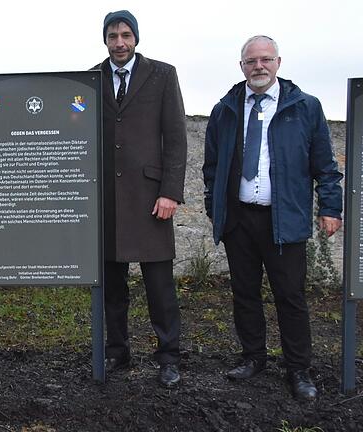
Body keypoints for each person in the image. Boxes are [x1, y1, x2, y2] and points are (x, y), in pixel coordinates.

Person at [203, 35, 343, 400]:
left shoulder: (305, 107)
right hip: (239, 220)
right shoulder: (225, 109)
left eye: (265, 60)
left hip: (284, 220)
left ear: (278, 63)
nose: (259, 67)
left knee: (290, 297)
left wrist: (330, 208)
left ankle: (299, 369)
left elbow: (325, 167)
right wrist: (213, 206)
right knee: (244, 294)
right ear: (242, 67)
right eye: (251, 61)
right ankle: (253, 358)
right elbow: (212, 167)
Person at [93, 10, 188, 387]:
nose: (119, 42)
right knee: (112, 288)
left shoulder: (162, 75)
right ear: (105, 40)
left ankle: (169, 357)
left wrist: (170, 192)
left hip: (151, 199)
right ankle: (117, 352)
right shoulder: (90, 78)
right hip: (106, 200)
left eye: (126, 35)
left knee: (160, 288)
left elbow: (176, 137)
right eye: (113, 35)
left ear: (136, 38)